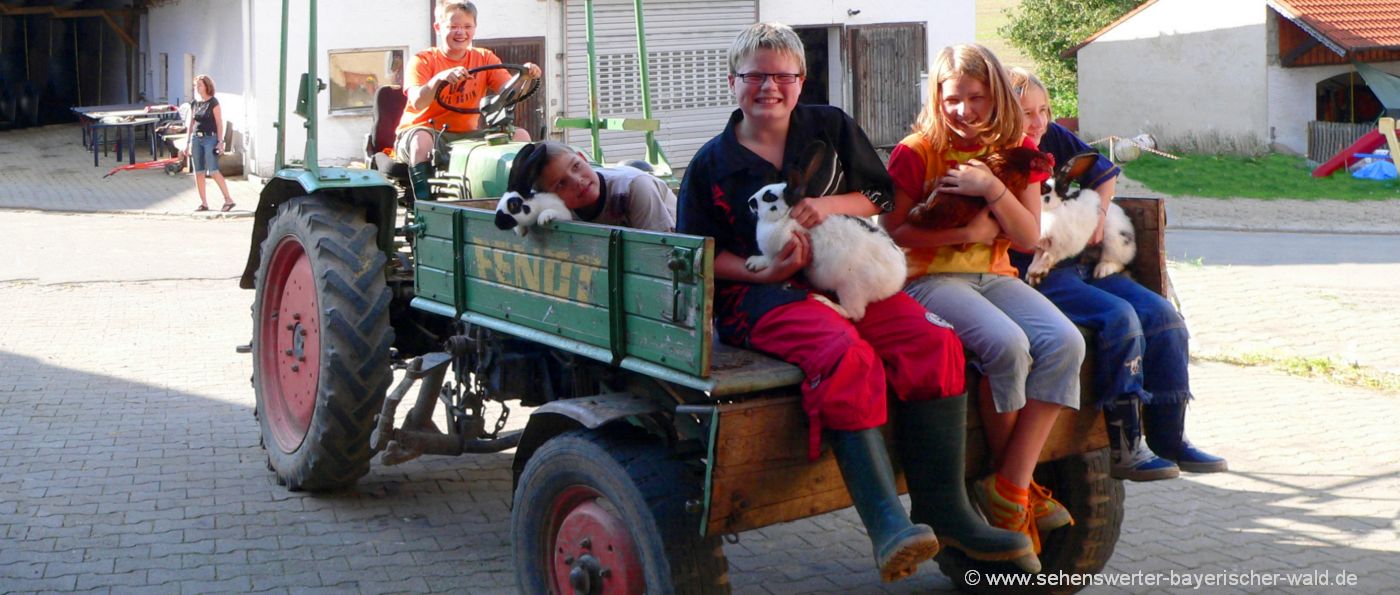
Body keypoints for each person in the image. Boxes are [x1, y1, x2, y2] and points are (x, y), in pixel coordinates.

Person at [679, 23, 1035, 581]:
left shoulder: (829, 126)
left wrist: (828, 205)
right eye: (755, 76)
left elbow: (881, 196)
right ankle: (888, 524)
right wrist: (769, 269)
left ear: (800, 81)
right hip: (760, 295)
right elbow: (698, 254)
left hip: (845, 274)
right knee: (845, 353)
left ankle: (947, 512)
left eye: (782, 76)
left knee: (935, 343)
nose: (768, 87)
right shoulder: (710, 165)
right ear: (733, 82)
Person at [883, 43, 1084, 563]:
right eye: (952, 99)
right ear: (937, 98)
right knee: (1008, 344)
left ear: (995, 96)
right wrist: (964, 231)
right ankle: (1016, 493)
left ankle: (1010, 487)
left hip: (992, 275)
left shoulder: (1016, 149)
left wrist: (991, 188)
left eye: (975, 98)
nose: (963, 111)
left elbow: (1025, 237)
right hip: (928, 280)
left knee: (1065, 342)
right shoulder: (916, 151)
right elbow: (895, 235)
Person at [1008, 67, 1227, 481]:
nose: (1037, 122)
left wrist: (1100, 215)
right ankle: (1127, 445)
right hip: (1042, 273)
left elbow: (1104, 173)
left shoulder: (1052, 136)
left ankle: (1170, 436)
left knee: (1164, 317)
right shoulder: (1006, 152)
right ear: (1004, 112)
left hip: (1088, 260)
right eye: (1025, 113)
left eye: (1044, 110)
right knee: (1119, 319)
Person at [395, 1, 541, 202]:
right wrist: (439, 79)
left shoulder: (484, 57)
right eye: (453, 27)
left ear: (474, 28)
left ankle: (519, 197)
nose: (460, 32)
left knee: (520, 135)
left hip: (468, 134)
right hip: (426, 131)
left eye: (466, 27)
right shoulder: (423, 60)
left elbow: (509, 94)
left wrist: (524, 77)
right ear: (438, 27)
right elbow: (418, 102)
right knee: (422, 142)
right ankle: (425, 204)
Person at [507, 141, 677, 231]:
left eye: (576, 166)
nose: (578, 181)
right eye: (561, 184)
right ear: (548, 197)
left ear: (583, 157)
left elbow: (660, 251)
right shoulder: (552, 208)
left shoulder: (634, 187)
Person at [181, 75, 235, 212]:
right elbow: (191, 123)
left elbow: (219, 122)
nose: (197, 87)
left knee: (213, 170)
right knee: (198, 172)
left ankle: (228, 199)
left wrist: (220, 142)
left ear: (207, 86)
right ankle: (204, 203)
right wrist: (187, 143)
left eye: (199, 85)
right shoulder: (195, 103)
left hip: (210, 139)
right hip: (196, 139)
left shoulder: (213, 102)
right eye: (195, 85)